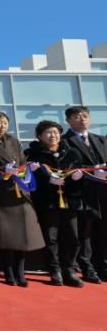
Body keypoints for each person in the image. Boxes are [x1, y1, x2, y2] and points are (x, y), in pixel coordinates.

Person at [0, 111, 45, 287]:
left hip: (20, 193)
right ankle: (8, 272)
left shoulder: (13, 141)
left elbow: (22, 161)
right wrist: (3, 170)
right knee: (6, 236)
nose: (2, 126)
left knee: (23, 235)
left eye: (5, 122)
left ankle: (20, 271)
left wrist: (28, 168)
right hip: (1, 193)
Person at [25, 120, 84, 287]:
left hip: (69, 201)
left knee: (72, 236)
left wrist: (76, 178)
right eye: (49, 133)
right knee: (50, 237)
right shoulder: (33, 154)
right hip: (47, 201)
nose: (53, 136)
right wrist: (46, 180)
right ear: (40, 136)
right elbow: (29, 180)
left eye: (56, 132)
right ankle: (54, 269)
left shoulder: (71, 152)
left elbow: (80, 176)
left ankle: (69, 269)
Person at [62, 106, 107, 283]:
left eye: (85, 116)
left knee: (103, 230)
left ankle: (103, 265)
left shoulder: (100, 139)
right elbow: (67, 167)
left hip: (102, 191)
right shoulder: (65, 141)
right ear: (68, 121)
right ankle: (87, 267)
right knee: (84, 233)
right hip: (81, 192)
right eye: (77, 116)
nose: (82, 119)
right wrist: (90, 171)